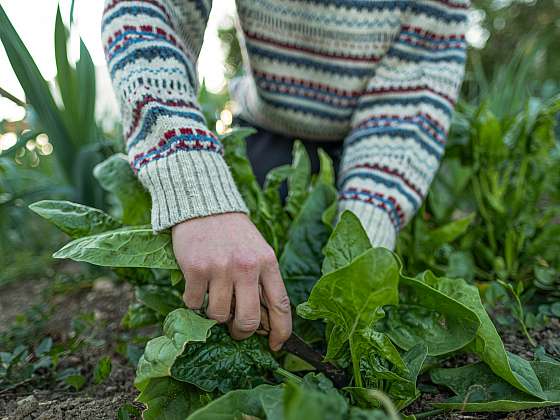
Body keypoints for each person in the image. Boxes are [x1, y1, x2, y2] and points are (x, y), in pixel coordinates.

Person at [101, 0, 470, 352]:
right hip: (270, 129)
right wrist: (195, 189)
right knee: (231, 276)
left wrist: (361, 243)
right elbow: (148, 14)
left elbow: (418, 79)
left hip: (375, 143)